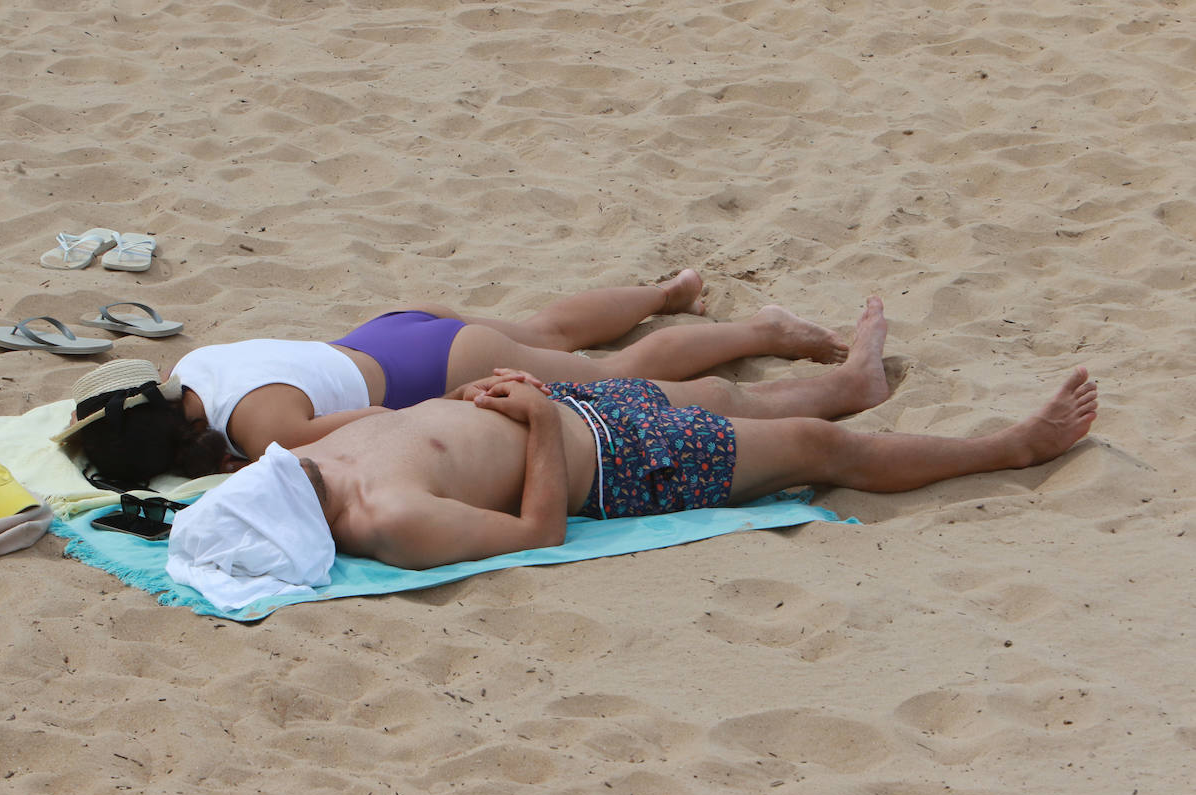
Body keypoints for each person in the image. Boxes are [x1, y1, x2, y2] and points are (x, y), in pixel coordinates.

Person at [163, 298, 1098, 601]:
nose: (296, 463)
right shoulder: (391, 522)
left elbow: (414, 426)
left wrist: (472, 399)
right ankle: (1009, 449)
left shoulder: (312, 464)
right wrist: (530, 423)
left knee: (733, 396)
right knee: (814, 448)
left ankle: (858, 380)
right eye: (291, 479)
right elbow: (540, 532)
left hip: (561, 408)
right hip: (612, 465)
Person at [56, 270, 852, 487]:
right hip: (393, 329)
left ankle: (763, 332)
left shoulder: (262, 429)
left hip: (432, 369)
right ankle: (670, 292)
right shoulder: (190, 367)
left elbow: (366, 429)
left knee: (616, 375)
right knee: (552, 330)